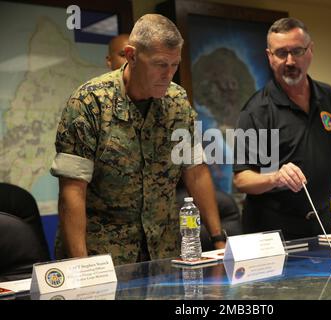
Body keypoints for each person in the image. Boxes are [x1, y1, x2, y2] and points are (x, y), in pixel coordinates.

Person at [50, 14, 225, 265]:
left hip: (164, 253)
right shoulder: (90, 103)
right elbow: (72, 191)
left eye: (174, 65)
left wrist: (218, 239)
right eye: (160, 64)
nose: (168, 74)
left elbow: (195, 171)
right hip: (103, 255)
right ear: (131, 55)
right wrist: (82, 267)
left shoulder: (177, 102)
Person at [233, 18, 331, 240]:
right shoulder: (256, 110)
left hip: (324, 223)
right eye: (280, 53)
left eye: (297, 51)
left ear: (310, 51)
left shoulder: (329, 96)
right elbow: (242, 180)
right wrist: (275, 177)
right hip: (275, 232)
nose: (290, 61)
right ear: (269, 57)